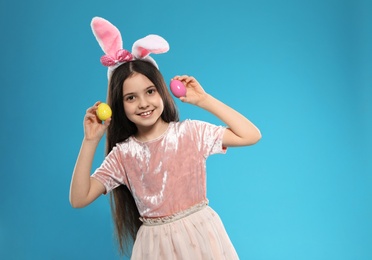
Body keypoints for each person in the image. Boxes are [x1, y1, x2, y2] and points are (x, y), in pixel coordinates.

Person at [69, 17, 261, 259]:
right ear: (120, 106)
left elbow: (251, 135)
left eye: (150, 92)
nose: (143, 104)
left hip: (201, 238)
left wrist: (204, 100)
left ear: (161, 90)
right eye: (131, 98)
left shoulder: (190, 133)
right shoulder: (123, 154)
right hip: (155, 248)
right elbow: (78, 198)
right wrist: (90, 140)